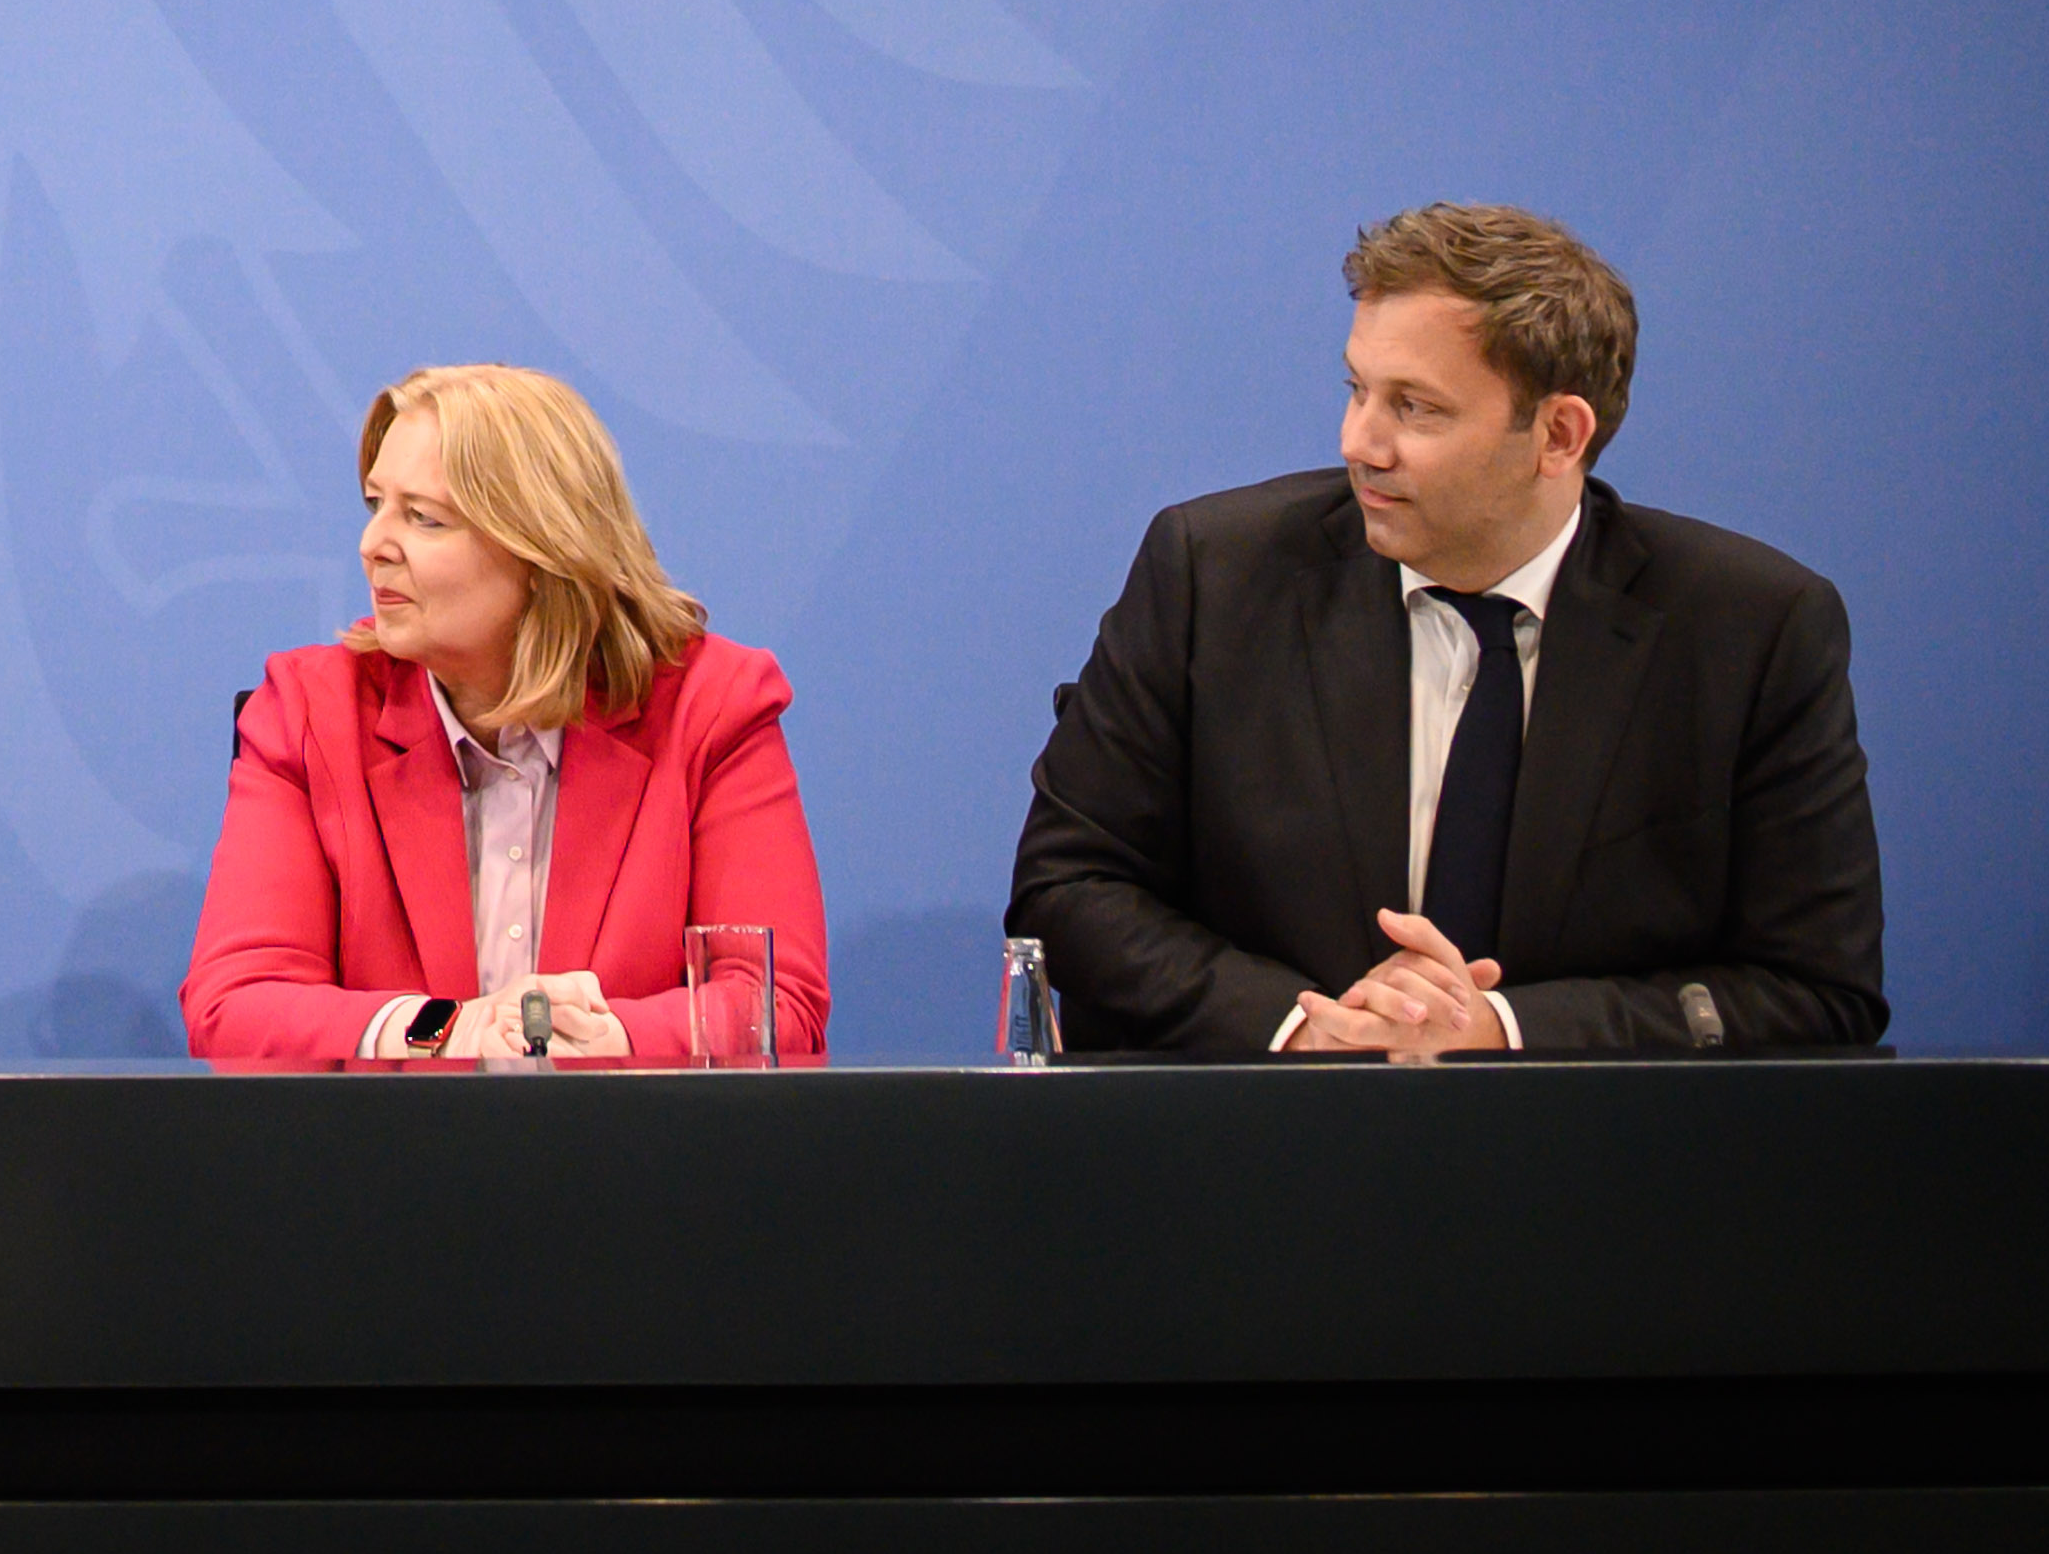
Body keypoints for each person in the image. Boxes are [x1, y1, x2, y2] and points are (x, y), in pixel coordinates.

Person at [1008, 206, 1886, 1057]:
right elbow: (1067, 889)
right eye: (1356, 389)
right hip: (1261, 1157)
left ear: (1558, 433)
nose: (1360, 441)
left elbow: (1817, 989)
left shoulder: (1751, 630)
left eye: (1416, 408)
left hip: (1596, 1175)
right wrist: (1301, 1025)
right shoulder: (1213, 573)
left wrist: (1502, 1029)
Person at [183, 363, 829, 1062]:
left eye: (424, 517)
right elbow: (238, 1001)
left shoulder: (711, 708)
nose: (373, 546)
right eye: (376, 505)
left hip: (636, 1160)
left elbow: (775, 1007)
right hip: (387, 1164)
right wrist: (452, 1027)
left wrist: (597, 1039)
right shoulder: (309, 713)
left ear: (545, 547)